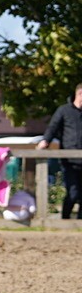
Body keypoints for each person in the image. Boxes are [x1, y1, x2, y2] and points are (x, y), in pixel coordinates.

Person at [37, 82, 82, 219]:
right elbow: (53, 127)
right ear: (79, 94)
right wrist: (45, 141)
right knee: (73, 192)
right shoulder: (64, 110)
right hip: (70, 159)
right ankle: (65, 218)